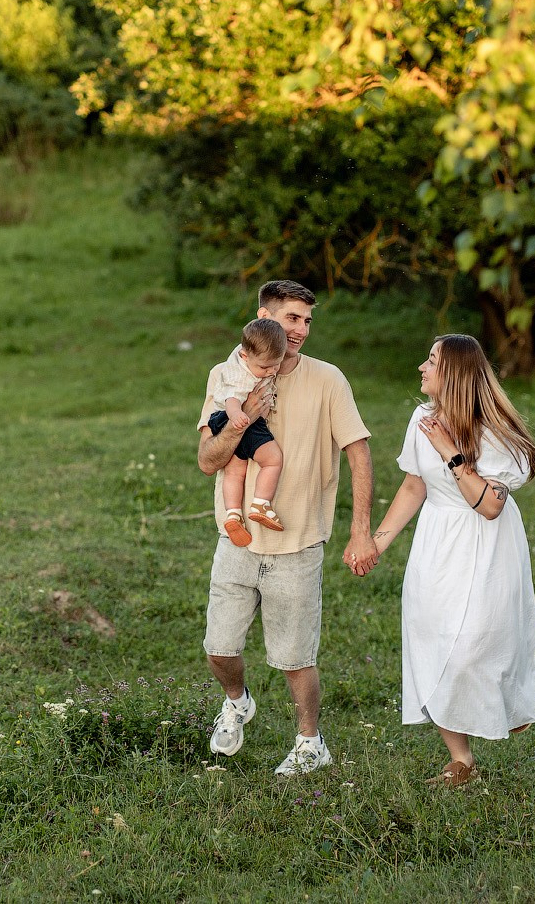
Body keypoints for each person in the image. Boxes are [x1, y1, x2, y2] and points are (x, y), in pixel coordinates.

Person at [196, 279, 379, 776]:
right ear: (263, 317)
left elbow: (358, 452)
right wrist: (239, 422)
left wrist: (360, 530)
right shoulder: (227, 375)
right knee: (218, 647)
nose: (301, 330)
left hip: (299, 542)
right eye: (291, 318)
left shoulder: (328, 379)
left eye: (307, 320)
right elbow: (207, 461)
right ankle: (237, 701)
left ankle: (309, 742)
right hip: (237, 538)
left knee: (296, 657)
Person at [369, 334, 535, 787]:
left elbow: (488, 506)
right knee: (433, 640)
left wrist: (451, 452)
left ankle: (504, 701)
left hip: (486, 543)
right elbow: (412, 487)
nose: (421, 368)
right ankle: (460, 759)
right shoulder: (422, 418)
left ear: (456, 375)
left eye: (431, 361)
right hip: (437, 541)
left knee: (474, 644)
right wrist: (376, 543)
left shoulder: (493, 432)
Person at [203, 318, 289, 546]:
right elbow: (232, 397)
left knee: (234, 472)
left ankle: (233, 514)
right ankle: (261, 503)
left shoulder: (247, 354)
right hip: (238, 418)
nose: (271, 371)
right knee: (273, 460)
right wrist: (238, 416)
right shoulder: (240, 375)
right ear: (244, 356)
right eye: (265, 367)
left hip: (220, 421)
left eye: (276, 365)